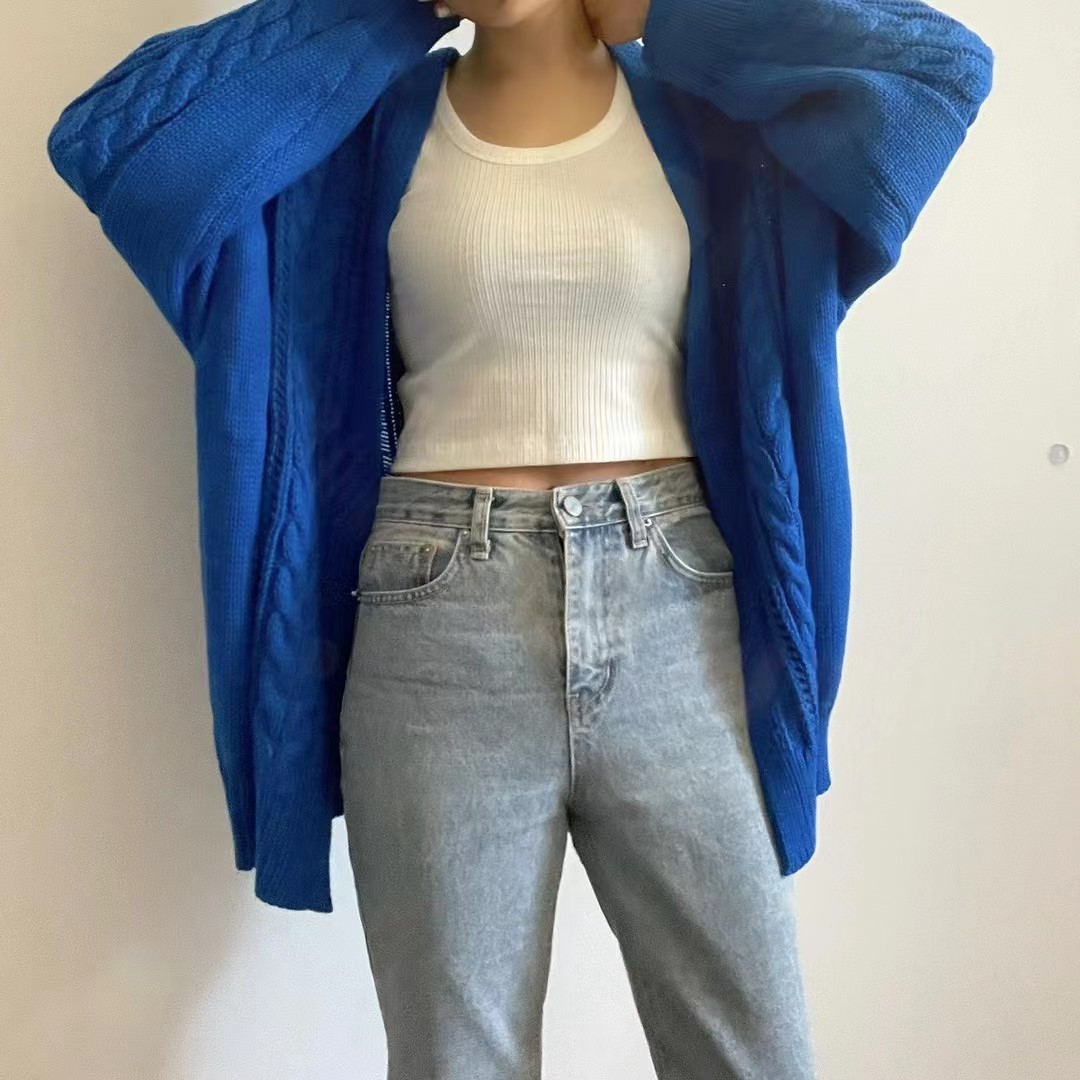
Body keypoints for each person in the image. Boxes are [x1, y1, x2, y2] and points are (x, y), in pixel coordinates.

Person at [47, 0, 993, 1075]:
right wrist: (390, 11)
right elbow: (120, 143)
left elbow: (936, 73)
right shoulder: (364, 131)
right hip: (435, 623)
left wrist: (661, 9)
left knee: (753, 1057)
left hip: (677, 612)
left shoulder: (707, 117)